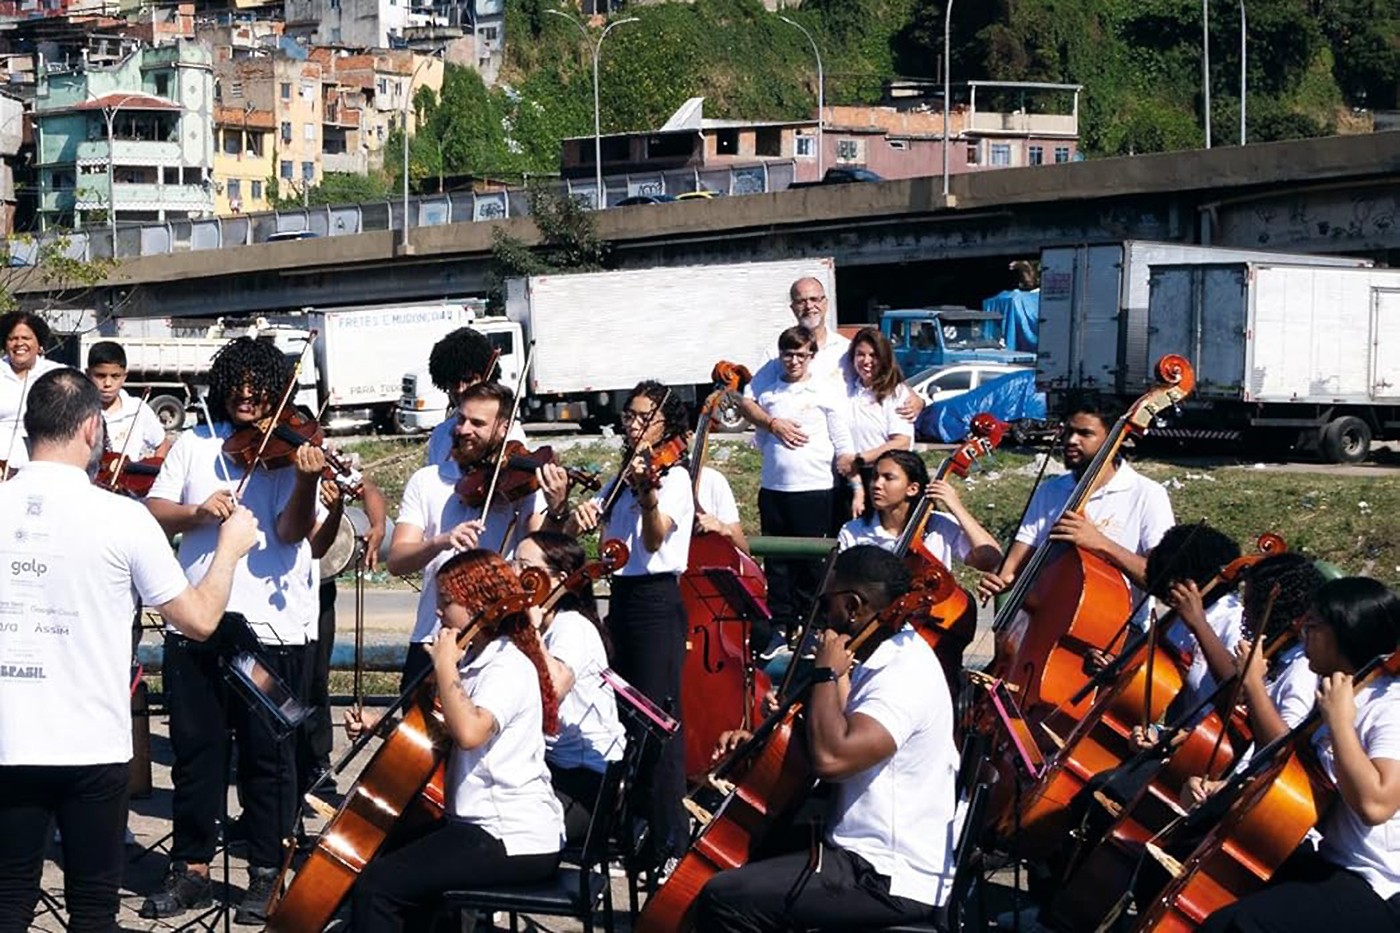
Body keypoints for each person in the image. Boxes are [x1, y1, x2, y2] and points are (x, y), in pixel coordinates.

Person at [0, 369, 257, 933]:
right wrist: (230, 550)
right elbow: (198, 620)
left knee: (8, 901)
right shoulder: (122, 516)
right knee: (94, 910)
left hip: (8, 736)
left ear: (28, 431)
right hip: (90, 741)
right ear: (93, 428)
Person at [141, 337, 330, 923]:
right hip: (198, 622)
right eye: (237, 383)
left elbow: (295, 533)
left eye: (259, 385)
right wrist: (199, 513)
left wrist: (304, 482)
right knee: (196, 754)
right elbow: (153, 511)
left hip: (270, 630)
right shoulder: (195, 445)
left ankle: (265, 873)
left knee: (267, 757)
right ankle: (191, 867)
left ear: (277, 388)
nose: (247, 395)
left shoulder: (292, 450)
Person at [694, 545, 960, 931]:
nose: (821, 612)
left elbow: (832, 759)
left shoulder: (905, 674)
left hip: (885, 873)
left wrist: (824, 675)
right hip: (852, 848)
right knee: (744, 852)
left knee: (726, 897)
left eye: (827, 601)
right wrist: (760, 740)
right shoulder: (874, 656)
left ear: (853, 606)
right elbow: (829, 730)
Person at [345, 550, 565, 932]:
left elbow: (469, 732)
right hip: (481, 827)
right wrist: (381, 726)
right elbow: (443, 730)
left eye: (446, 602)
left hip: (510, 835)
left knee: (378, 888)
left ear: (480, 603)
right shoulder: (478, 660)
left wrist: (444, 664)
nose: (439, 613)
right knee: (392, 856)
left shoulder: (507, 666)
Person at [545, 380, 694, 870]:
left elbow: (654, 543)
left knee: (658, 720)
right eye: (629, 416)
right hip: (623, 597)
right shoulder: (619, 479)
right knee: (627, 718)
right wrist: (578, 514)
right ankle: (632, 829)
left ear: (665, 424)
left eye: (642, 417)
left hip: (656, 600)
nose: (632, 425)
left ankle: (670, 840)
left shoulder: (672, 480)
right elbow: (573, 537)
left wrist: (648, 500)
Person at [1197, 577, 1400, 933]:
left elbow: (1376, 805)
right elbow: (1297, 778)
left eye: (1314, 625)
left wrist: (1339, 723)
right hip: (1329, 858)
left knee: (1240, 925)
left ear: (1344, 632)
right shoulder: (1337, 690)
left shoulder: (1390, 708)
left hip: (1376, 884)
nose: (1303, 632)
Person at [388, 381, 545, 691]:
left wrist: (556, 507)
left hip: (495, 643)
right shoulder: (428, 480)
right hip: (433, 637)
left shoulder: (520, 485)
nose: (463, 430)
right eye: (461, 419)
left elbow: (538, 554)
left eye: (477, 423)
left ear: (503, 429)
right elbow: (396, 560)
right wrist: (441, 541)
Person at [978, 399, 1176, 626]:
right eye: (1069, 431)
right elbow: (1014, 566)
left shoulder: (1147, 494)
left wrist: (1100, 543)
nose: (1072, 440)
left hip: (1119, 634)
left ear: (1112, 440)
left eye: (1085, 434)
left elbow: (1161, 579)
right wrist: (1000, 580)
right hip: (1047, 624)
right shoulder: (1050, 491)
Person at [745, 326, 856, 655]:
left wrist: (852, 476)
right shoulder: (770, 393)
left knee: (811, 564)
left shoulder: (823, 390)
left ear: (811, 357)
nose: (793, 361)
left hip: (814, 488)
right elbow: (757, 428)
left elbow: (841, 438)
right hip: (775, 489)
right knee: (778, 563)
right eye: (788, 354)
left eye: (800, 355)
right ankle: (781, 626)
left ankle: (812, 626)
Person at [514, 531, 626, 844]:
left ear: (561, 580)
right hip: (548, 769)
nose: (515, 574)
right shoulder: (535, 624)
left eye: (526, 567)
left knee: (503, 832)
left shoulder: (572, 626)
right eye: (514, 564)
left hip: (584, 782)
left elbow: (554, 688)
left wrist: (530, 632)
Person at [836, 449, 1000, 572]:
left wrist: (955, 506)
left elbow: (990, 559)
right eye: (875, 476)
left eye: (888, 478)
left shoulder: (939, 525)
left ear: (912, 489)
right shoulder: (853, 531)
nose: (877, 484)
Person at [839, 327, 915, 520]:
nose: (866, 361)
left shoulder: (896, 393)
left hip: (882, 477)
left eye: (873, 355)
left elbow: (901, 442)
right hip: (852, 478)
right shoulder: (849, 391)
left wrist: (861, 458)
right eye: (860, 355)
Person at [422, 326, 523, 467]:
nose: (460, 390)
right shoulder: (440, 434)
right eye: (453, 382)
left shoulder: (507, 432)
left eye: (469, 380)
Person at [0, 311, 65, 474]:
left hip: (46, 460)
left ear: (39, 343)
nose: (19, 343)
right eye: (12, 338)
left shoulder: (58, 374)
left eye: (26, 338)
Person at [85, 340, 171, 461]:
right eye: (100, 376)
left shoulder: (137, 409)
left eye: (115, 376)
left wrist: (149, 473)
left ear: (124, 376)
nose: (108, 383)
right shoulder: (80, 410)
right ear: (88, 374)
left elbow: (163, 444)